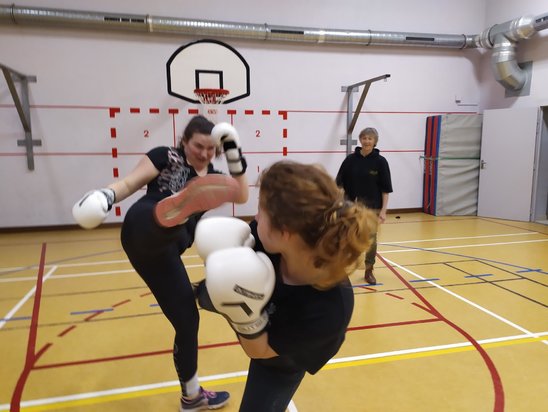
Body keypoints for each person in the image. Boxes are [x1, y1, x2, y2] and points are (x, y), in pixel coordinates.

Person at [72, 115, 249, 411]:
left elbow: (242, 195)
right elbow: (130, 183)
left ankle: (191, 397)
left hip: (165, 255)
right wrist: (107, 195)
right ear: (184, 142)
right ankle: (171, 211)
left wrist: (234, 151)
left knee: (188, 321)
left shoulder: (215, 178)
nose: (204, 153)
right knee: (157, 217)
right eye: (198, 146)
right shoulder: (165, 156)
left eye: (210, 148)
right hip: (143, 226)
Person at [193, 160, 378, 412]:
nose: (255, 217)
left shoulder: (330, 309)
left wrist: (241, 311)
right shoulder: (264, 236)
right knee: (205, 292)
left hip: (280, 360)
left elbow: (260, 351)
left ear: (286, 231)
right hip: (264, 313)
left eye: (261, 210)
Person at [335, 127, 393, 285]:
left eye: (370, 138)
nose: (367, 141)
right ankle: (340, 270)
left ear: (375, 142)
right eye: (364, 138)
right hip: (351, 207)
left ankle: (369, 270)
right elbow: (339, 185)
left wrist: (383, 211)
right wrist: (339, 205)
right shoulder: (350, 160)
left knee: (371, 240)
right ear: (360, 140)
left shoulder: (380, 162)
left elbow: (385, 190)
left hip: (373, 208)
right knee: (345, 237)